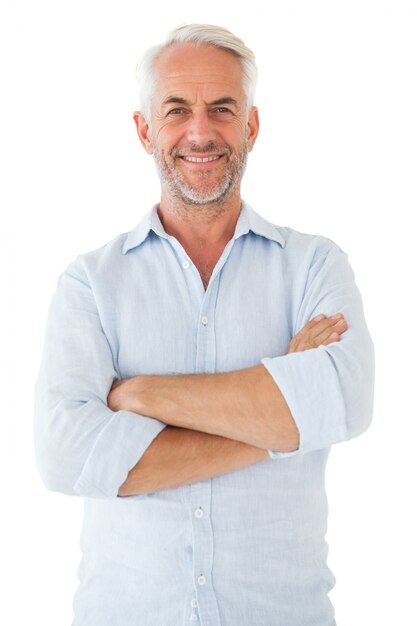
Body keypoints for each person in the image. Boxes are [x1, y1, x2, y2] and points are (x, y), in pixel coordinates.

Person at [34, 23, 374, 626]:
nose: (201, 131)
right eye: (176, 110)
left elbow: (344, 401)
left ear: (252, 125)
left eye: (222, 108)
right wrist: (283, 419)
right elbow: (67, 457)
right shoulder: (90, 283)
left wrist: (140, 396)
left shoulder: (314, 265)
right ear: (144, 131)